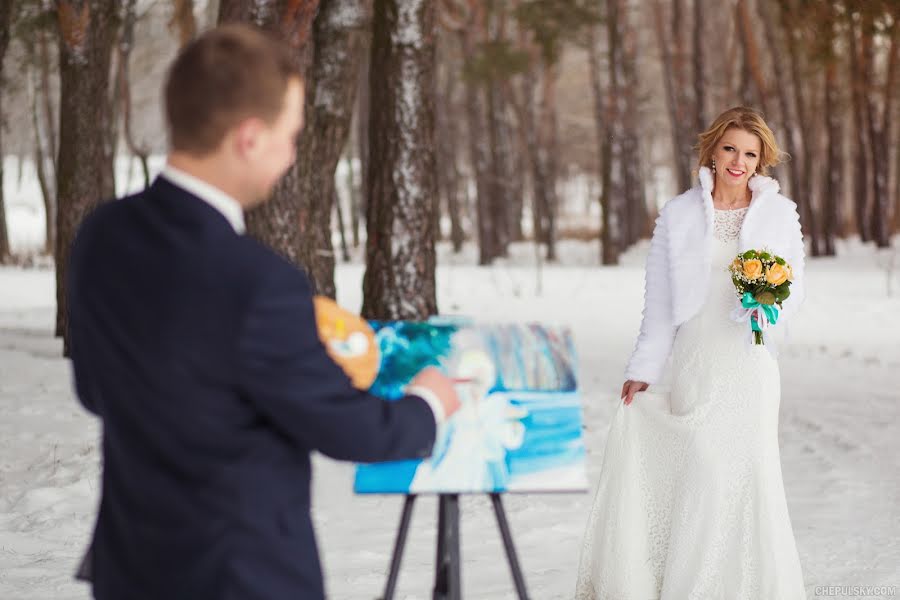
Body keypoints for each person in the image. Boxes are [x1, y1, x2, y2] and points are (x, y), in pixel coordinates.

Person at [67, 24, 460, 600]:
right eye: (290, 135)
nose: (292, 154)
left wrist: (279, 362)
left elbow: (95, 391)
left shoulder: (102, 234)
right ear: (249, 137)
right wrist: (430, 402)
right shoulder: (260, 284)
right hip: (239, 576)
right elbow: (350, 430)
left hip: (131, 567)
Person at [575, 106, 807, 598]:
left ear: (761, 159)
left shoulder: (780, 215)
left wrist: (765, 305)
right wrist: (644, 369)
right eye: (729, 149)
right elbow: (659, 305)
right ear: (712, 151)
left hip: (750, 362)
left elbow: (795, 291)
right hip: (698, 361)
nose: (738, 161)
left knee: (749, 473)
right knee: (702, 467)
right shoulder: (678, 215)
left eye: (749, 152)